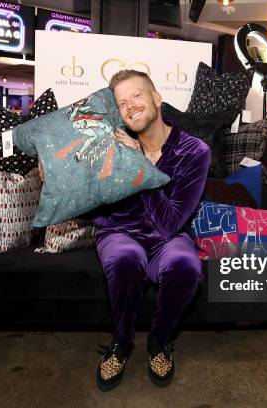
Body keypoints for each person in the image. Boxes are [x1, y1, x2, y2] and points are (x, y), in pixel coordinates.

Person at [92, 70, 211, 391]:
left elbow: (171, 222)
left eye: (137, 96)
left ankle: (159, 343)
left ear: (157, 99)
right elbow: (78, 180)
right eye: (121, 102)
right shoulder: (108, 143)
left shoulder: (194, 151)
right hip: (119, 231)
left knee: (186, 265)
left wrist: (139, 165)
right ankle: (122, 343)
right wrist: (48, 166)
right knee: (126, 258)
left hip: (168, 236)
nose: (129, 106)